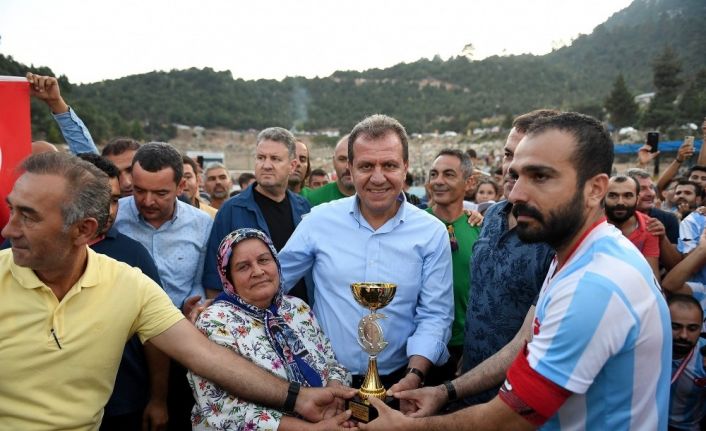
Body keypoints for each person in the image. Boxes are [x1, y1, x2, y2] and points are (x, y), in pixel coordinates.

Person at [0, 152, 356, 430]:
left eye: (28, 216)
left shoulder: (128, 284)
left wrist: (297, 398)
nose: (10, 229)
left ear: (83, 229)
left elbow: (208, 358)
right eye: (12, 210)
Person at [360, 112, 671, 430]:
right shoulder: (575, 257)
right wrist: (445, 391)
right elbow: (525, 341)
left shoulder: (596, 287)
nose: (518, 193)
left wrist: (402, 427)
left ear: (595, 189)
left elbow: (507, 420)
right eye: (516, 173)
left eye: (541, 177)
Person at [279, 114, 454, 409]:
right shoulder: (319, 221)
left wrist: (414, 375)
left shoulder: (431, 232)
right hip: (326, 385)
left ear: (406, 168)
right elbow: (272, 283)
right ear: (349, 169)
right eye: (365, 166)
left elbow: (435, 314)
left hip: (400, 383)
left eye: (389, 165)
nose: (377, 177)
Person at [406, 110, 555, 411]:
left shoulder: (556, 237)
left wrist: (450, 389)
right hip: (468, 378)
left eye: (529, 158)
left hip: (515, 399)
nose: (513, 166)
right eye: (509, 154)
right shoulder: (490, 217)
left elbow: (529, 340)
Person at [188, 228, 351, 430]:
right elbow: (220, 407)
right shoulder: (215, 321)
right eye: (243, 267)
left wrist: (334, 392)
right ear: (228, 278)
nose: (257, 271)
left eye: (264, 260)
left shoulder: (296, 308)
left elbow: (331, 363)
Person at [113, 142, 215, 429]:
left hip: (179, 345)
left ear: (181, 185)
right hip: (124, 349)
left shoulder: (201, 225)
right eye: (138, 190)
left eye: (160, 193)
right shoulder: (113, 217)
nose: (147, 201)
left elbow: (199, 281)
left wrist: (194, 308)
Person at [203, 127, 311, 302]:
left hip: (301, 316)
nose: (266, 165)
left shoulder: (304, 208)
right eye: (261, 158)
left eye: (275, 159)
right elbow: (214, 277)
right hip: (250, 318)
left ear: (292, 166)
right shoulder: (231, 210)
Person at [425, 149, 480, 382]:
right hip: (422, 343)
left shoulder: (480, 228)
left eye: (448, 174)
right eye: (434, 174)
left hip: (466, 344)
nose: (438, 181)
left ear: (469, 183)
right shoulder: (414, 225)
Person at [604, 174, 660, 279]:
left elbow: (652, 277)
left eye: (628, 195)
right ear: (603, 197)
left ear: (637, 199)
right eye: (613, 195)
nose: (620, 202)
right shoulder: (590, 224)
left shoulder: (650, 226)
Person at [667, 294, 706, 431]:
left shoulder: (703, 357)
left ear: (701, 327)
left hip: (685, 428)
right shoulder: (643, 348)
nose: (683, 335)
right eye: (675, 326)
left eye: (692, 328)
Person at [304, 134, 356, 206]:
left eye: (354, 159)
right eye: (342, 159)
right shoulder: (314, 199)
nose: (348, 167)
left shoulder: (374, 198)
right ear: (333, 162)